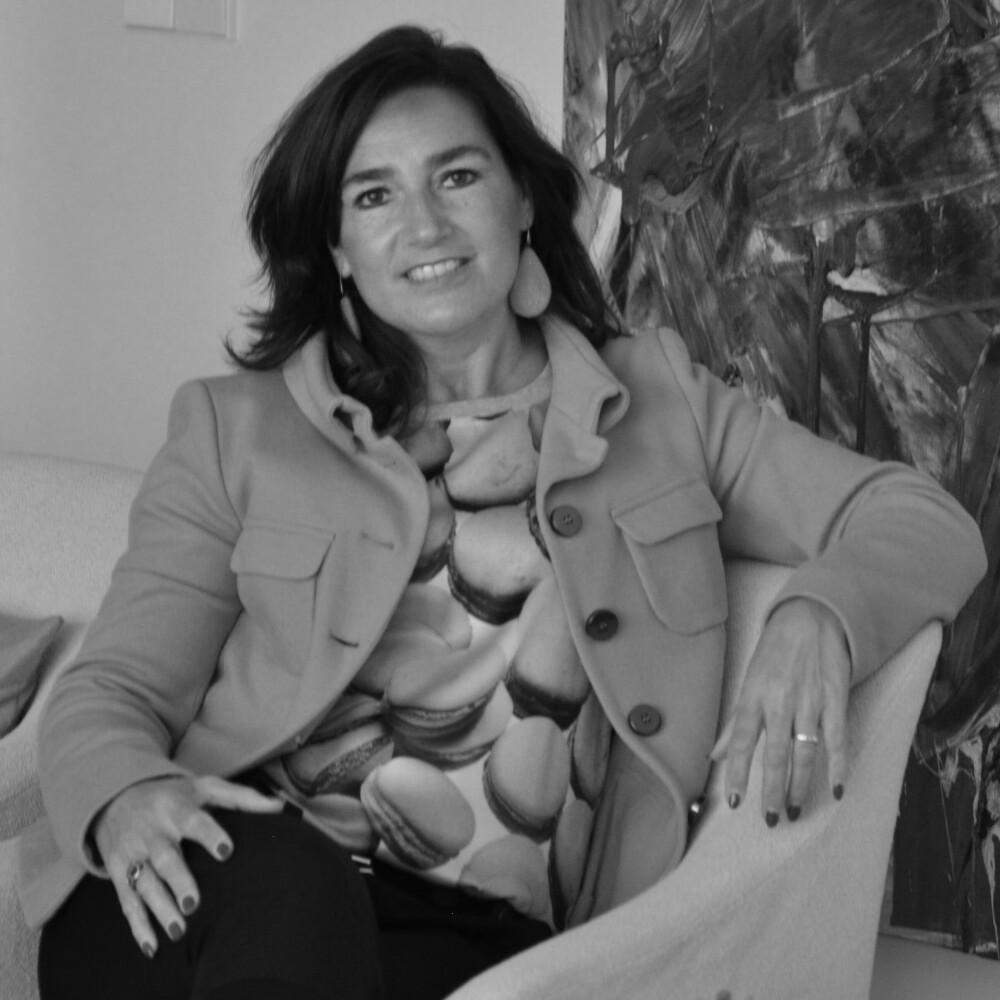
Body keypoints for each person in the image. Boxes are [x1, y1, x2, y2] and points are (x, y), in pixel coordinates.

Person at [24, 24, 985, 1000]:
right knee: (294, 893)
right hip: (204, 880)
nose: (424, 226)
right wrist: (124, 795)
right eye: (373, 195)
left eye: (456, 177)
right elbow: (112, 690)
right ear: (337, 247)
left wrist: (819, 612)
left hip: (470, 943)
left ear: (522, 199)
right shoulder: (236, 428)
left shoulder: (659, 404)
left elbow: (921, 520)